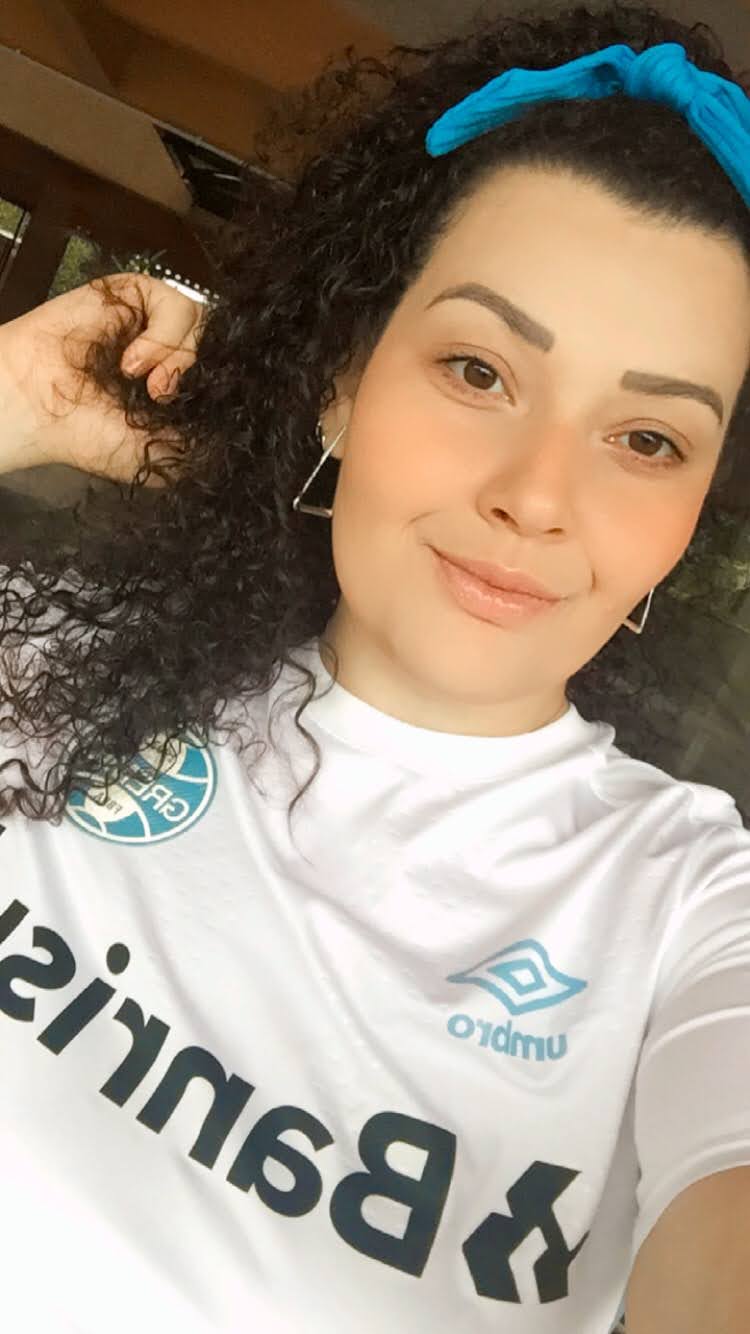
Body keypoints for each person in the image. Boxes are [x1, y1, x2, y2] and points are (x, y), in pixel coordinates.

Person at [0, 3, 748, 1331]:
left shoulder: (693, 911)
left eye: (647, 440)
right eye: (477, 369)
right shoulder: (48, 656)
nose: (537, 497)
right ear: (342, 378)